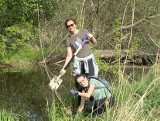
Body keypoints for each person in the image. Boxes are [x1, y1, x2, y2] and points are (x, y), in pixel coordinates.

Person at [60, 18, 99, 108]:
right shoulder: (68, 40)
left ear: (75, 24)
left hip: (89, 61)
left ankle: (94, 105)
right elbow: (69, 55)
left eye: (72, 24)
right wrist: (64, 68)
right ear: (67, 28)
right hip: (79, 63)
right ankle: (80, 107)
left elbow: (94, 43)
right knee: (80, 85)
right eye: (68, 26)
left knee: (91, 82)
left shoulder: (83, 31)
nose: (70, 27)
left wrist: (91, 37)